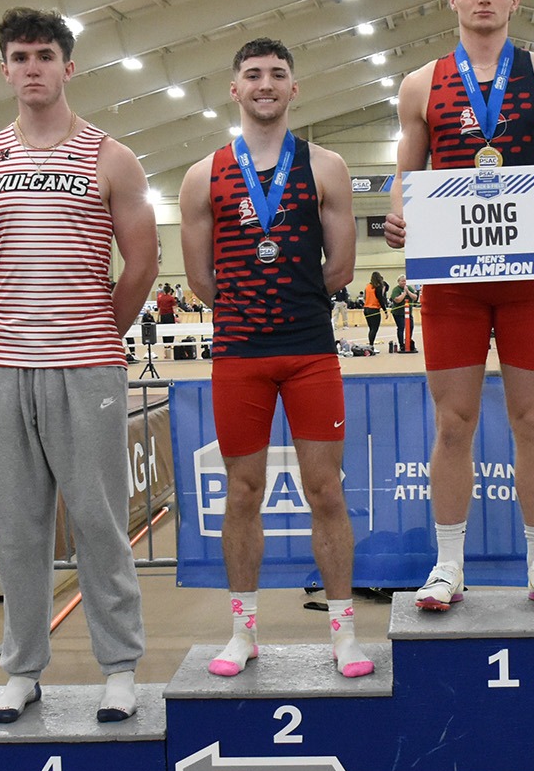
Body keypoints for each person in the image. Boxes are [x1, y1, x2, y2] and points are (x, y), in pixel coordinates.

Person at [384, 0, 534, 611]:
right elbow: (407, 176)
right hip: (453, 280)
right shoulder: (420, 84)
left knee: (532, 418)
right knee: (454, 422)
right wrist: (395, 216)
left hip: (528, 276)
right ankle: (448, 565)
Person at [0, 7, 155, 725]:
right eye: (20, 56)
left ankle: (120, 666)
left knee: (101, 522)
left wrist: (98, 326)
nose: (33, 67)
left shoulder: (110, 156)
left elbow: (142, 261)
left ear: (68, 68)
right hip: (9, 367)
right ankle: (23, 667)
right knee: (16, 527)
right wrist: (26, 319)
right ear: (4, 68)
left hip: (89, 366)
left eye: (46, 55)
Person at [178, 37, 371, 679]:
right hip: (239, 353)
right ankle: (243, 632)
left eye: (278, 74)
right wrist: (247, 311)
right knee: (243, 492)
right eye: (253, 74)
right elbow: (200, 279)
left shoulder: (327, 167)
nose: (265, 83)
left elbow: (340, 266)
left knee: (325, 491)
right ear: (234, 89)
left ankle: (343, 633)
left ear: (295, 88)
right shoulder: (202, 175)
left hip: (310, 350)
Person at [389, 274, 416, 353]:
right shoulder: (396, 290)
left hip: (408, 313)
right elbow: (397, 300)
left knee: (411, 326)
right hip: (398, 313)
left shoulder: (409, 288)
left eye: (405, 281)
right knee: (401, 328)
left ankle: (408, 341)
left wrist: (408, 291)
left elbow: (415, 297)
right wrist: (404, 293)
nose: (404, 282)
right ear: (398, 282)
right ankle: (401, 344)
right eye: (402, 281)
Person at [362, 271, 387, 351]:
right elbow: (380, 299)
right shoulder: (378, 287)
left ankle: (371, 345)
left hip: (366, 309)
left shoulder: (367, 286)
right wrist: (385, 310)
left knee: (371, 328)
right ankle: (371, 346)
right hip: (374, 309)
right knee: (374, 329)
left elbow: (365, 297)